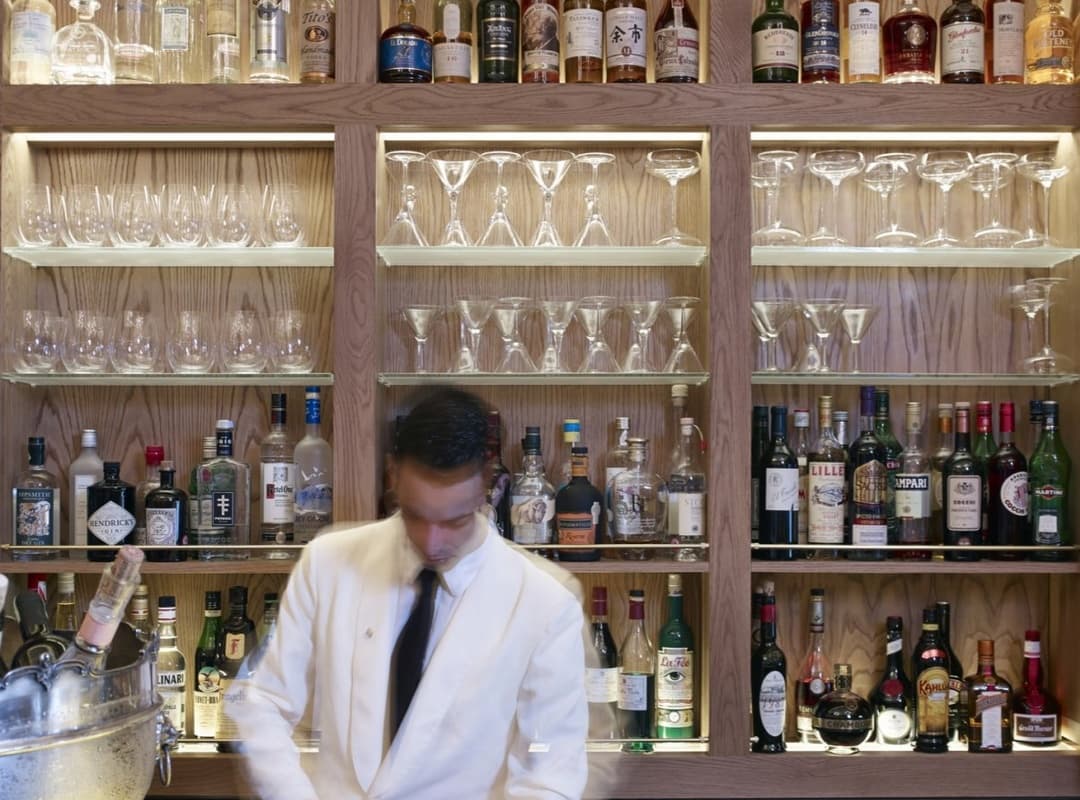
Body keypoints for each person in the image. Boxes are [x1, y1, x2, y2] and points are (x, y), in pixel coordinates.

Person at [228, 386, 589, 799]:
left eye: (453, 520)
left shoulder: (545, 604)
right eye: (416, 515)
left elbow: (550, 777)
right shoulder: (327, 561)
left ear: (485, 487)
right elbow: (264, 703)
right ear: (392, 475)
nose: (432, 542)